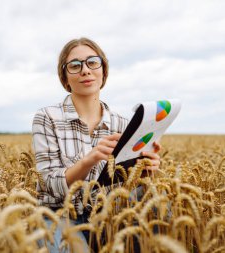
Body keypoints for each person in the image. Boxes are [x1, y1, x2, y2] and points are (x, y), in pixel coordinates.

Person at [32, 37, 161, 252]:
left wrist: (145, 169)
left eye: (93, 62)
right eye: (74, 65)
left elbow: (124, 183)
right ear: (65, 77)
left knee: (158, 204)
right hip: (59, 215)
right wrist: (89, 160)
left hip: (107, 215)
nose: (85, 70)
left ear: (103, 70)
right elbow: (49, 185)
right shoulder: (47, 117)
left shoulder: (123, 124)